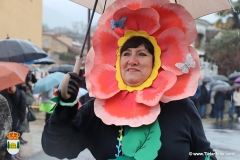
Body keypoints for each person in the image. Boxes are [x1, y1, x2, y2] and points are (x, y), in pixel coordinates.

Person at [42, 1, 216, 159]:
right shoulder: (96, 110)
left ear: (157, 61)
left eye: (142, 53)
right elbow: (56, 148)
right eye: (126, 53)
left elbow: (204, 155)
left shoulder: (181, 108)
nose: (132, 60)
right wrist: (65, 105)